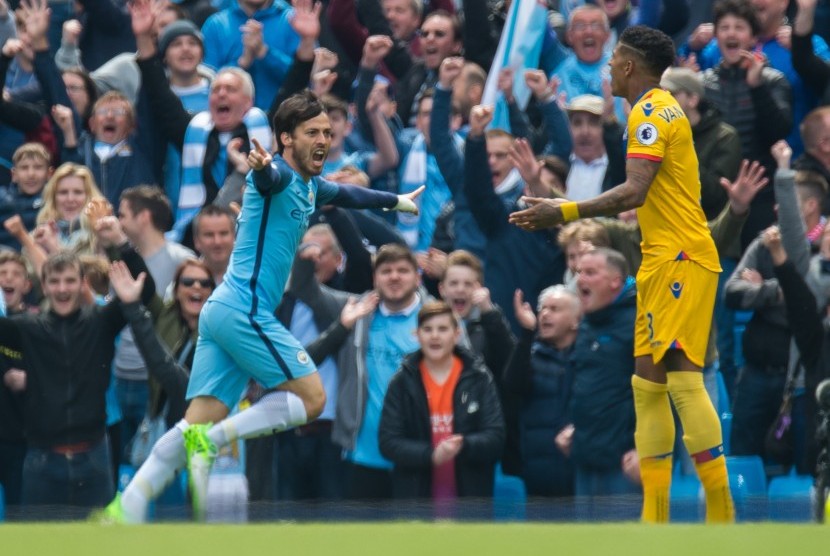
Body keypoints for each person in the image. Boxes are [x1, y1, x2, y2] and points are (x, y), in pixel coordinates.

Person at [95, 89, 423, 523]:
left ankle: (124, 511)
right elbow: (271, 180)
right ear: (286, 138)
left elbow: (348, 195)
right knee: (310, 399)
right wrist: (264, 168)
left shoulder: (310, 184)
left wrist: (398, 201)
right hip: (244, 310)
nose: (323, 139)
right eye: (312, 132)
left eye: (327, 131)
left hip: (224, 310)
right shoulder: (279, 175)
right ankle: (216, 440)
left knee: (194, 422)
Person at [509, 25, 734, 523]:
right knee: (647, 385)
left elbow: (633, 190)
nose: (608, 66)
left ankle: (722, 514)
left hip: (681, 257)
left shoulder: (651, 111)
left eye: (614, 59)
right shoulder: (647, 112)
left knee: (681, 381)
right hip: (657, 259)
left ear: (630, 66)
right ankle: (653, 518)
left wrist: (565, 211)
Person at [378, 300, 505, 516]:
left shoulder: (479, 378)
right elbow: (388, 442)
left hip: (470, 503)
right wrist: (431, 455)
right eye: (427, 329)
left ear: (457, 334)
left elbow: (496, 436)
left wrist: (464, 445)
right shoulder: (401, 381)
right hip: (415, 505)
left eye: (443, 329)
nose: (435, 336)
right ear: (416, 335)